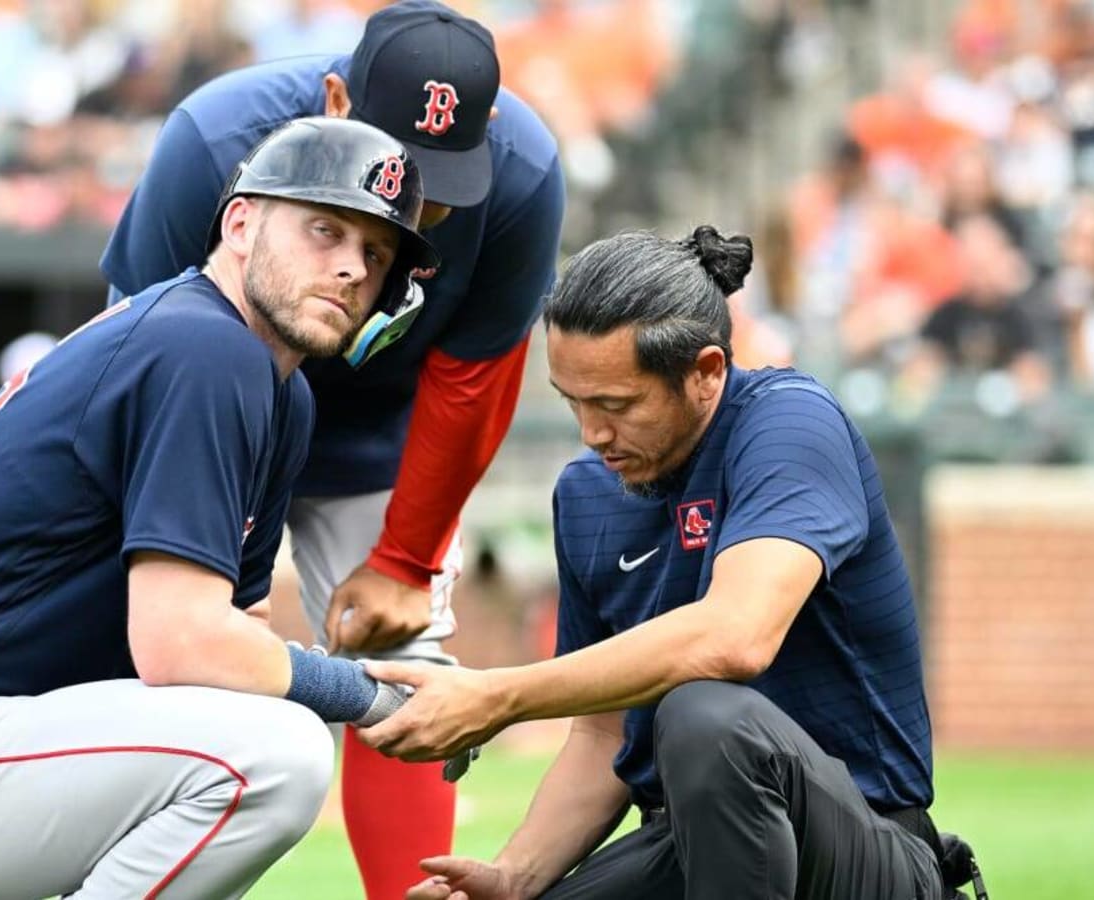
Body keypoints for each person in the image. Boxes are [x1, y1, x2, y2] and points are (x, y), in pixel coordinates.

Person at [0, 117, 439, 900]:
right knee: (278, 754)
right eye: (324, 230)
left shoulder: (278, 391)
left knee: (258, 730)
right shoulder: (207, 346)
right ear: (240, 222)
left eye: (375, 254)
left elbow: (236, 641)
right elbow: (181, 643)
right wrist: (368, 696)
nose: (349, 271)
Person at [101, 3, 566, 894]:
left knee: (412, 664)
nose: (416, 199)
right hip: (209, 413)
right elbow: (133, 353)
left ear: (490, 126)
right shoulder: (213, 138)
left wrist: (403, 557)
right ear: (335, 99)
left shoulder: (524, 171)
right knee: (150, 657)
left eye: (441, 174)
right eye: (398, 163)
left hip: (379, 436)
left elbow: (475, 378)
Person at [358, 226, 949, 900]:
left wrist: (501, 697)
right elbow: (603, 731)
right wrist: (513, 876)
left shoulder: (790, 425)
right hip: (688, 845)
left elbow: (735, 638)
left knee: (703, 717)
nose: (592, 433)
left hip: (864, 853)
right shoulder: (585, 494)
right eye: (572, 402)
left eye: (616, 405)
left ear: (706, 373)